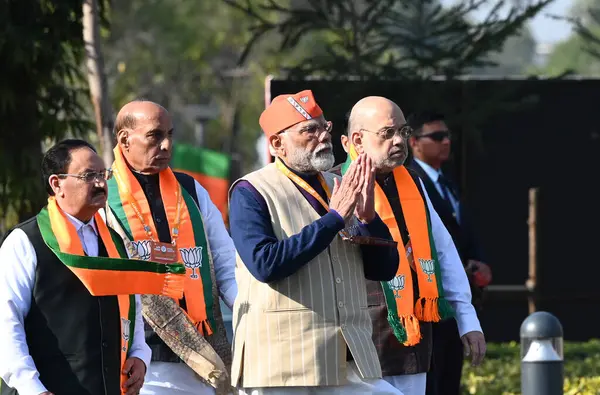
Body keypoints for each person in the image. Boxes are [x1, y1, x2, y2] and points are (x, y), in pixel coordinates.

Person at [228, 90, 402, 395]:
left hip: (346, 357)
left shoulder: (339, 185)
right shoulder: (250, 190)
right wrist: (334, 219)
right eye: (309, 129)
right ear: (277, 143)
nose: (323, 136)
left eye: (326, 127)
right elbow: (265, 265)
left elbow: (384, 270)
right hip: (281, 364)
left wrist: (369, 218)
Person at [0, 139, 185, 395]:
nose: (100, 183)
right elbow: (6, 323)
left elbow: (133, 308)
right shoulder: (25, 242)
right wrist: (31, 388)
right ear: (57, 184)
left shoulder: (115, 241)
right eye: (89, 176)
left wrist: (140, 355)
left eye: (103, 174)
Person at [331, 97, 485, 395]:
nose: (399, 140)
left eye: (403, 131)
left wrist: (467, 319)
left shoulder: (413, 182)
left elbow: (443, 251)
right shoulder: (332, 184)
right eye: (388, 133)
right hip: (356, 342)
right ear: (357, 140)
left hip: (413, 342)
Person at [105, 100, 237, 394]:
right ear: (125, 139)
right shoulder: (101, 197)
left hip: (203, 358)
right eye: (155, 135)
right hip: (139, 362)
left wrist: (247, 309)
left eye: (170, 135)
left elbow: (226, 261)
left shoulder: (190, 190)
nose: (166, 145)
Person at [405, 112, 491, 395]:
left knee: (450, 377)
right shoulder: (410, 181)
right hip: (428, 297)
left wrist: (478, 262)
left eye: (448, 136)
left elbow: (463, 230)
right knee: (435, 377)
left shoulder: (446, 181)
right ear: (415, 142)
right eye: (437, 137)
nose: (446, 142)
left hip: (456, 294)